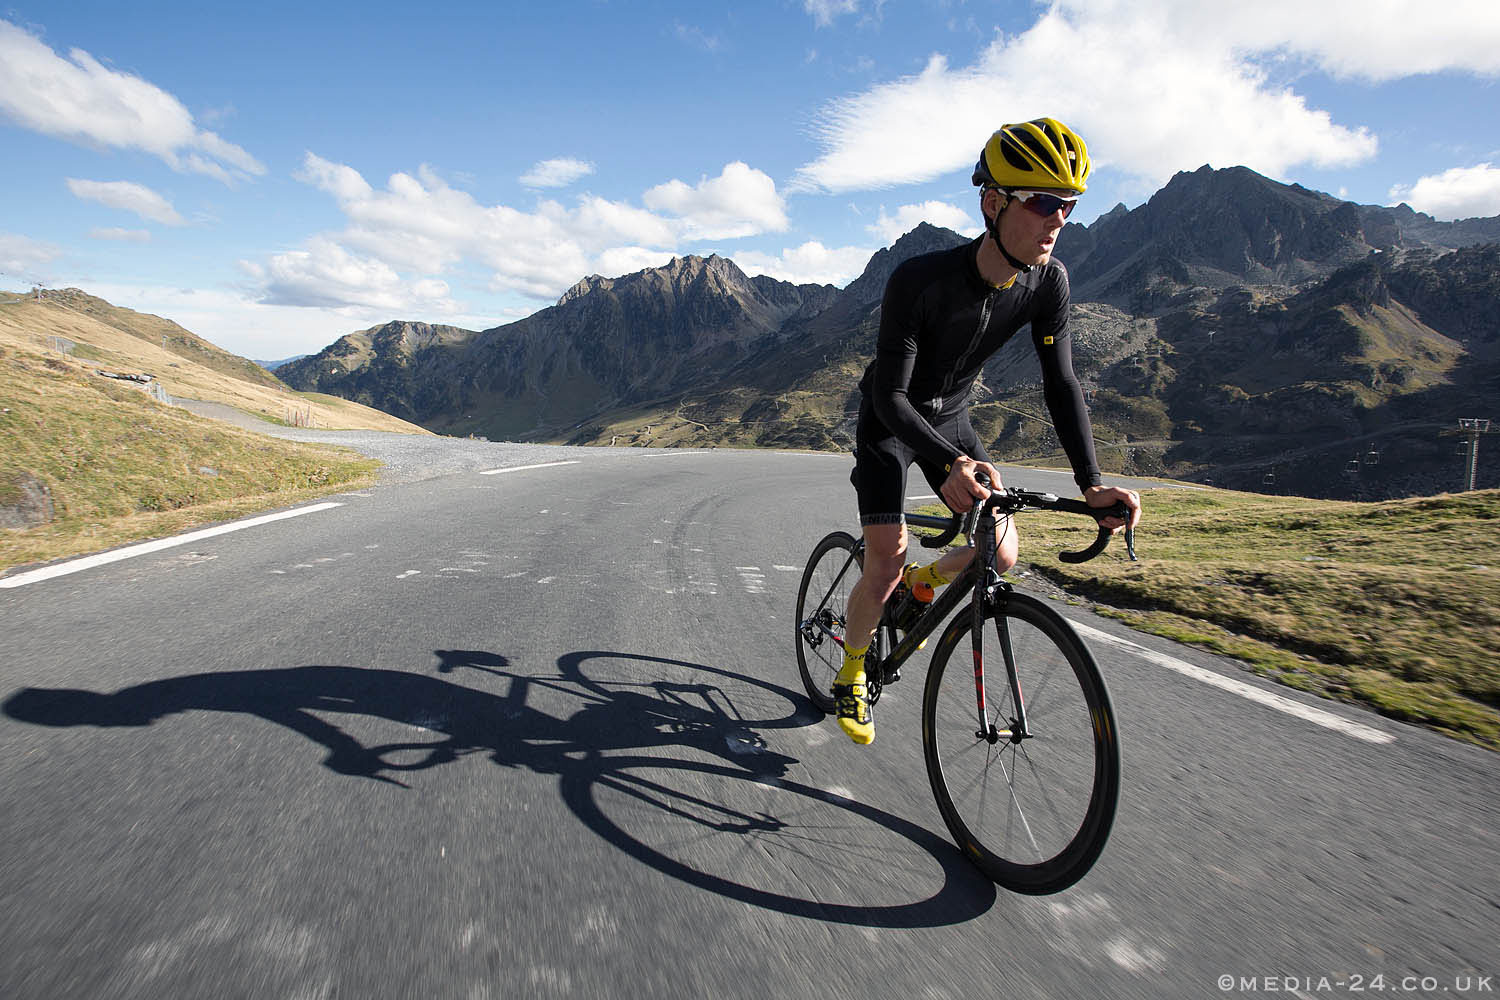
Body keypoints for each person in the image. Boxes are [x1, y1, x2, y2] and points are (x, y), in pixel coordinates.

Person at [834, 117, 1142, 744]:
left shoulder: (1047, 282)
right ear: (993, 202)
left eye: (1070, 206)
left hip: (950, 417)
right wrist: (948, 464)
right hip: (891, 419)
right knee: (886, 561)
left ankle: (924, 585)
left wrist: (1092, 485)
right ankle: (851, 667)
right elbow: (892, 396)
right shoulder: (919, 281)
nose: (1060, 220)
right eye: (1045, 203)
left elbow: (1061, 385)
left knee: (1000, 550)